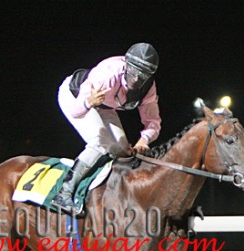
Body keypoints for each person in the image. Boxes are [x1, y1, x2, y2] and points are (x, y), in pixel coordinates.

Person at [51, 42, 162, 214]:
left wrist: (144, 140)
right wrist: (88, 102)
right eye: (133, 72)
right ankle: (64, 192)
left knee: (122, 150)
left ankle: (107, 193)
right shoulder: (107, 73)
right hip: (75, 97)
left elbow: (153, 122)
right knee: (99, 142)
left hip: (103, 105)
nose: (136, 80)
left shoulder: (148, 88)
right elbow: (75, 112)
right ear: (126, 65)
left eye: (143, 76)